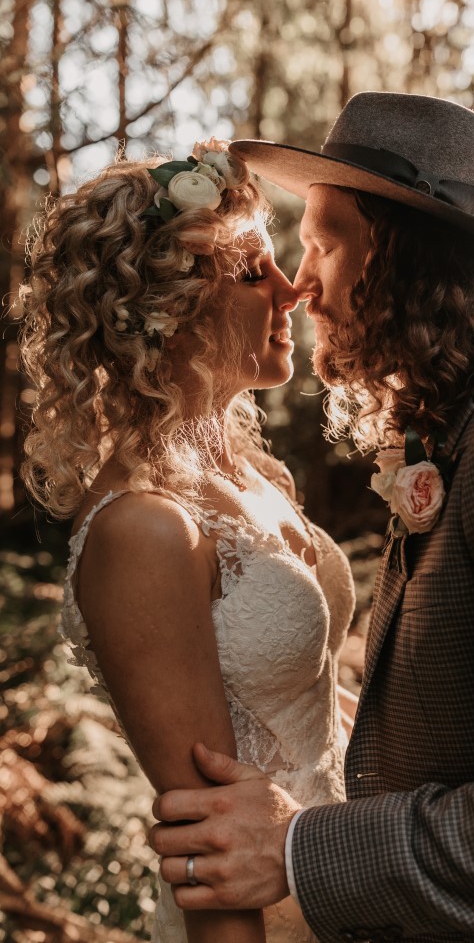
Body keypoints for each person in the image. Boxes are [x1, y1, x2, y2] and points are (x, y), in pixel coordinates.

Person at [149, 92, 474, 942]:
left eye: (323, 243)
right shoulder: (462, 422)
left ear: (409, 257)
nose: (301, 282)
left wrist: (298, 850)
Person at [19, 138, 359, 943]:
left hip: (340, 871)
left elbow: (310, 703)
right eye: (251, 273)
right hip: (267, 915)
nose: (291, 291)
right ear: (168, 308)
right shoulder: (142, 528)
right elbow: (208, 845)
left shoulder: (251, 473)